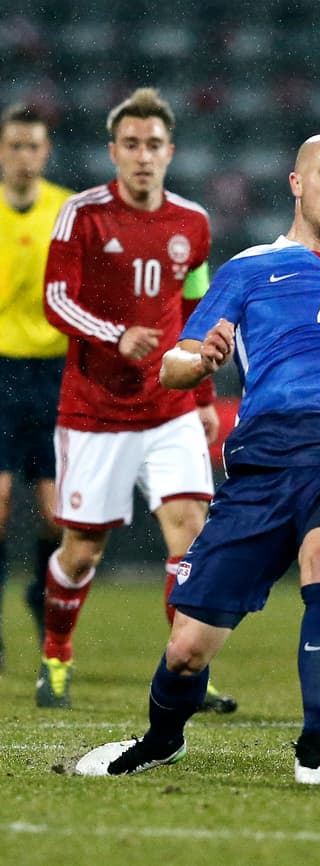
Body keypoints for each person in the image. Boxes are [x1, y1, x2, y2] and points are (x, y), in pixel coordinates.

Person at [73, 132, 320, 785]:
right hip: (263, 457)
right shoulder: (247, 271)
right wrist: (201, 359)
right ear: (296, 183)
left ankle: (313, 752)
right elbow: (173, 364)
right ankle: (163, 741)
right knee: (188, 649)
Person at [37, 87, 237, 713]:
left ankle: (183, 676)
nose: (143, 156)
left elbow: (194, 312)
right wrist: (113, 335)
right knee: (82, 550)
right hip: (95, 410)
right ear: (113, 151)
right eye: (131, 145)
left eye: (154, 145)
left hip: (168, 407)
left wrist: (203, 393)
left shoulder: (193, 224)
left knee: (190, 535)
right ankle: (56, 659)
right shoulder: (82, 215)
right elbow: (56, 299)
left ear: (170, 151)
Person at [0, 103, 73, 674]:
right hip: (0, 370)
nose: (23, 157)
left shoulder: (66, 212)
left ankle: (37, 590)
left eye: (33, 147)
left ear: (45, 153)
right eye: (14, 146)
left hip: (52, 375)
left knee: (55, 515)